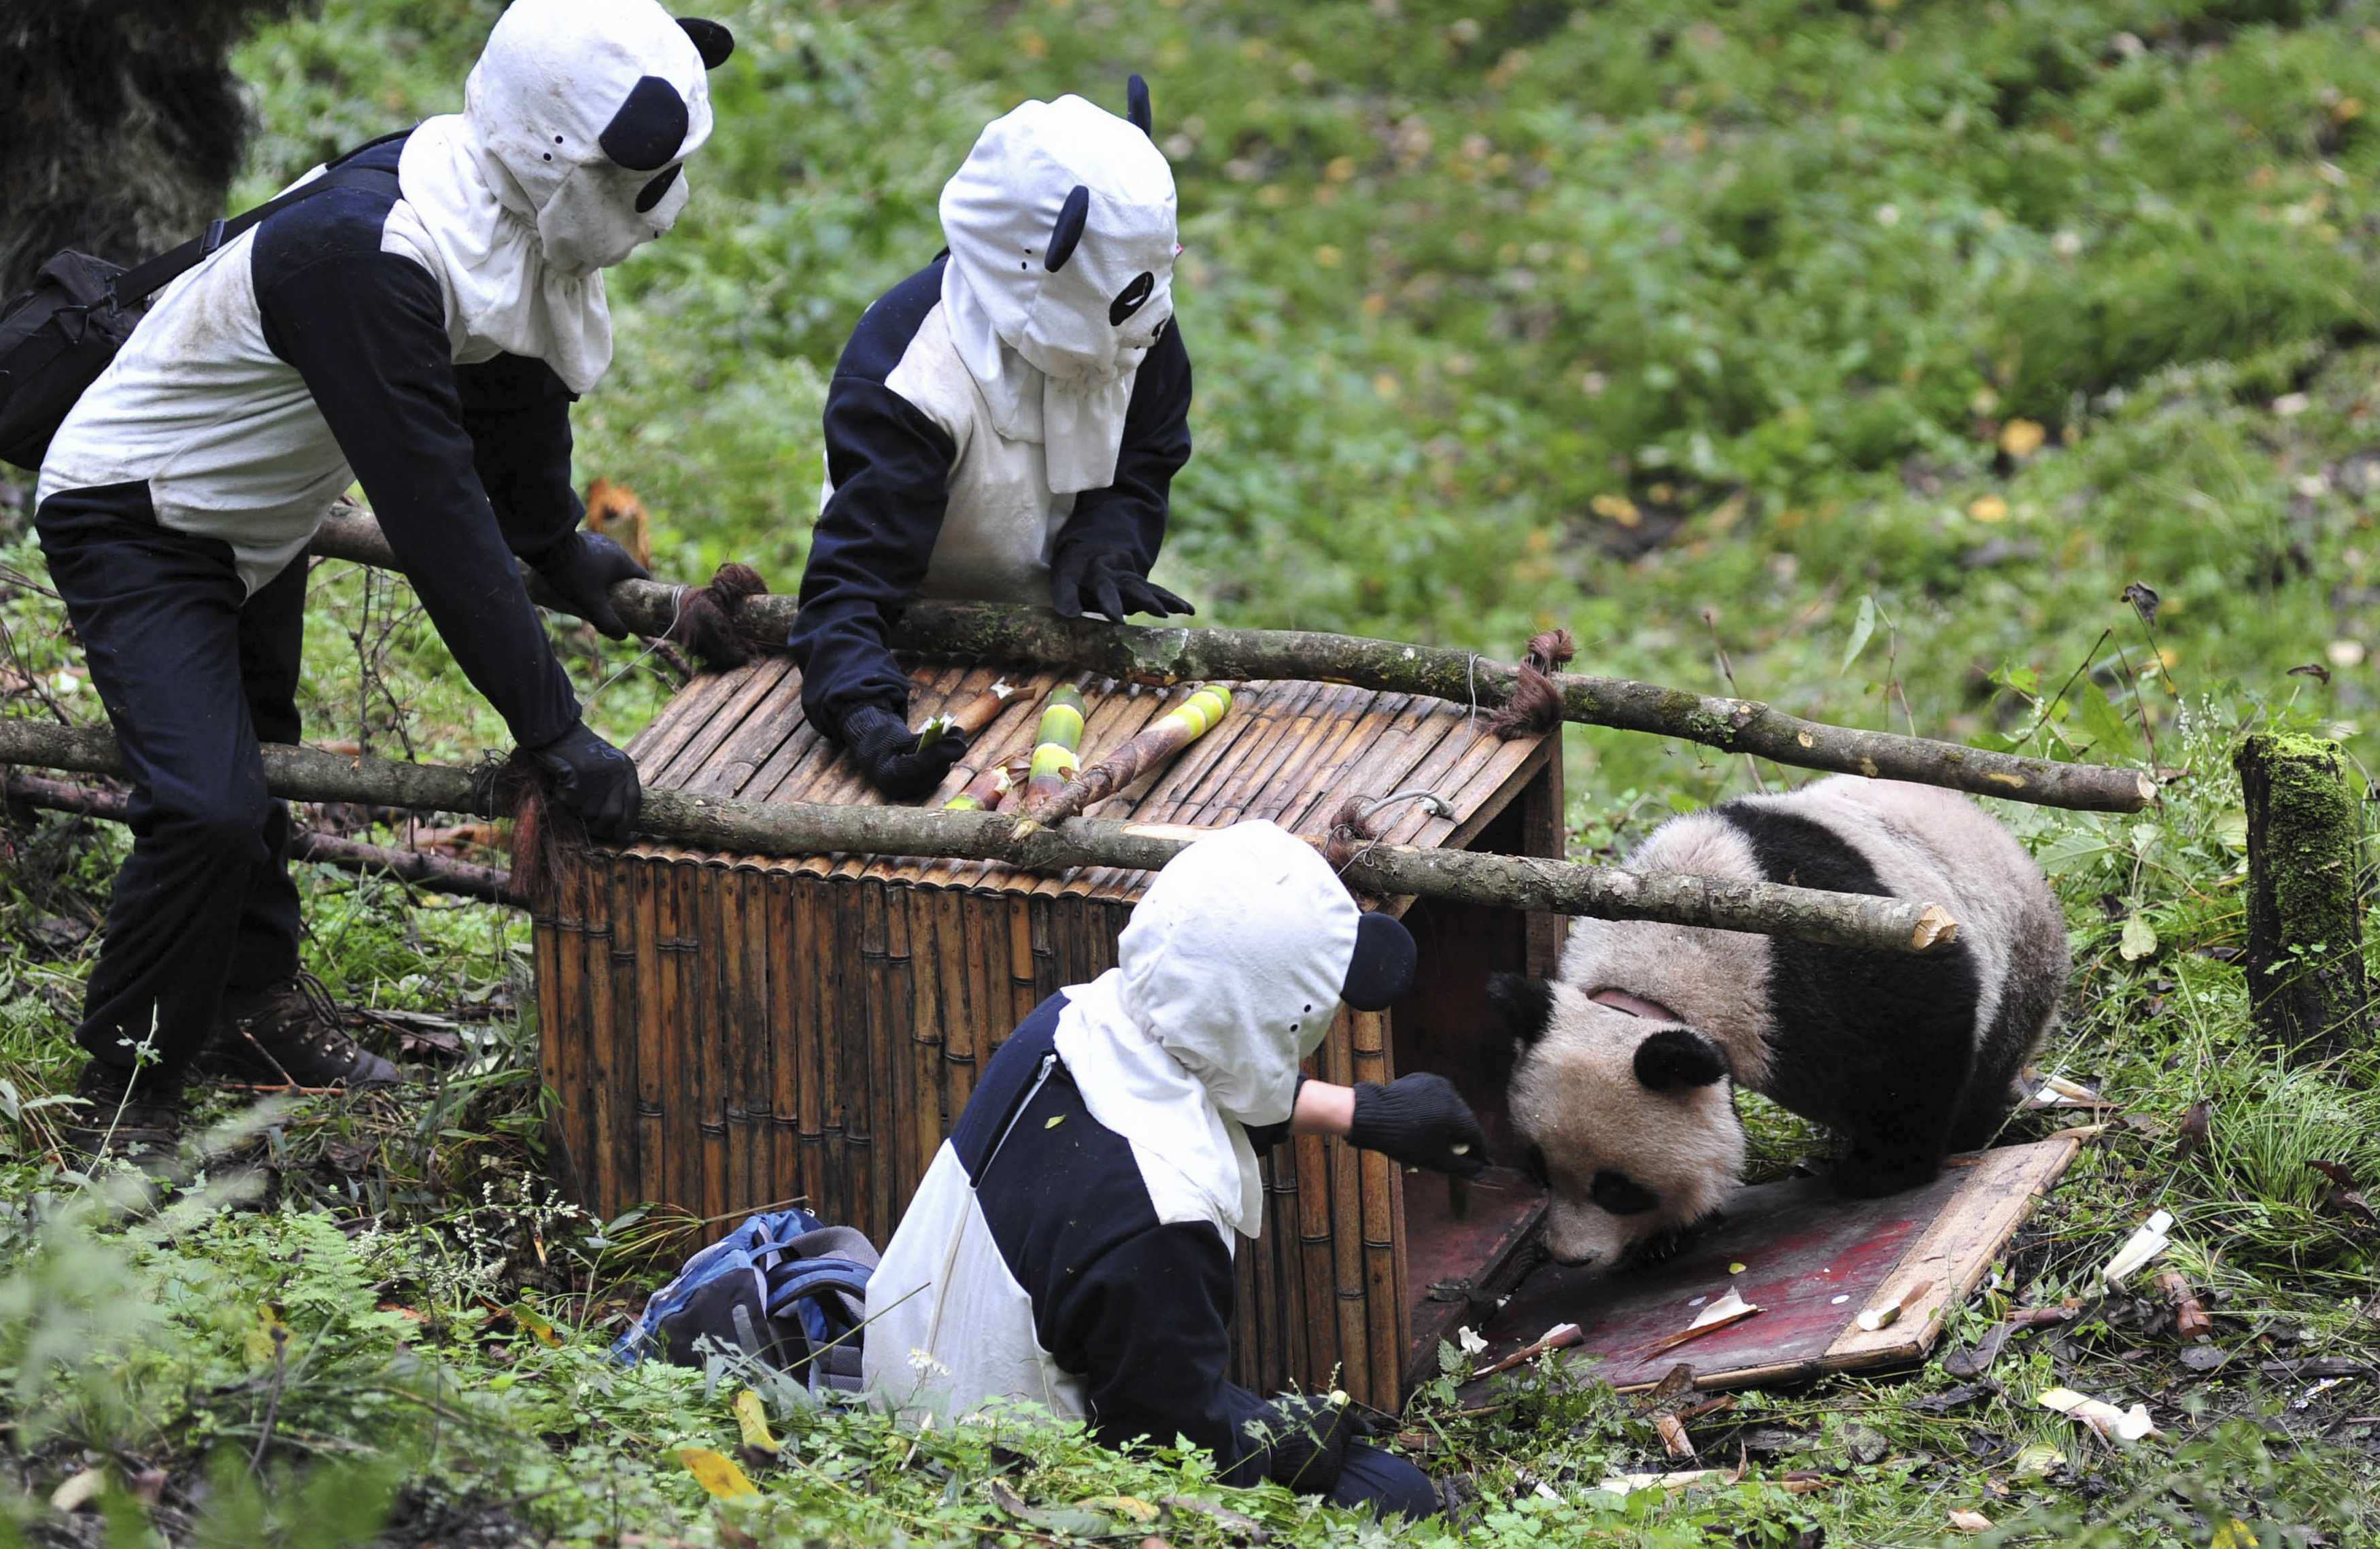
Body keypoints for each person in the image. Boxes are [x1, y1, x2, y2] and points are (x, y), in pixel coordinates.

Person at [33, 0, 736, 1159]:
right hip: (140, 513)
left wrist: (561, 546)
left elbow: (513, 390)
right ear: (562, 152)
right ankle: (127, 1088)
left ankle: (248, 1006)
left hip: (256, 513)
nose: (662, 205)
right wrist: (554, 727)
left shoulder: (495, 209)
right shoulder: (374, 256)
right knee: (206, 806)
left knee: (251, 756)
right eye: (643, 176)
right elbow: (437, 510)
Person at [862, 821, 1487, 1517]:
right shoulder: (1161, 1222)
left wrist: (1363, 1112)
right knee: (1396, 1495)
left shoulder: (1066, 1022)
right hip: (1010, 1477)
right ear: (1277, 1013)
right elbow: (1170, 1458)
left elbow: (1196, 1071)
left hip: (918, 1369)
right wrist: (1286, 1439)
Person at [788, 82, 1196, 800]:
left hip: (1064, 652)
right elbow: (849, 587)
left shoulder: (1133, 323)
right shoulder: (909, 380)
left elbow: (1147, 456)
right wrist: (868, 722)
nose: (1149, 324)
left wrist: (1111, 539)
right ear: (1038, 260)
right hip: (916, 638)